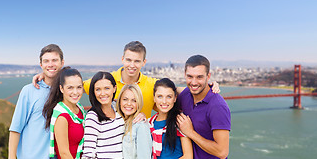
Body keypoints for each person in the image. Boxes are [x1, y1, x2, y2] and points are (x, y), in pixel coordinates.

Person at [33, 41, 220, 118]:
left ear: (144, 62)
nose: (132, 64)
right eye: (128, 59)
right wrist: (49, 75)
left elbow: (176, 91)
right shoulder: (105, 82)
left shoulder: (152, 85)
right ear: (122, 59)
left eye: (137, 61)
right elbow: (71, 86)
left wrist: (206, 87)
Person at [8, 44, 64, 159]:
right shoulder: (29, 90)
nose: (50, 64)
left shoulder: (67, 90)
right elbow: (15, 129)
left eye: (54, 60)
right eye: (46, 61)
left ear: (62, 62)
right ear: (41, 64)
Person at [177, 55, 231, 159]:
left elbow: (222, 151)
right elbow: (161, 94)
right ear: (185, 75)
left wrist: (191, 133)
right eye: (190, 76)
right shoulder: (185, 95)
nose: (194, 82)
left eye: (200, 77)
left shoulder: (218, 106)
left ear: (209, 77)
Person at [43, 67, 88, 159]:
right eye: (70, 88)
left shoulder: (79, 110)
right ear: (61, 88)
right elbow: (64, 152)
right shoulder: (62, 115)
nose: (75, 92)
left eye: (79, 87)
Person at [81, 71, 126, 159]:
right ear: (93, 92)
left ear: (114, 88)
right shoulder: (93, 117)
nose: (102, 93)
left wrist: (141, 115)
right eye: (98, 89)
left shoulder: (119, 110)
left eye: (106, 88)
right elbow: (87, 156)